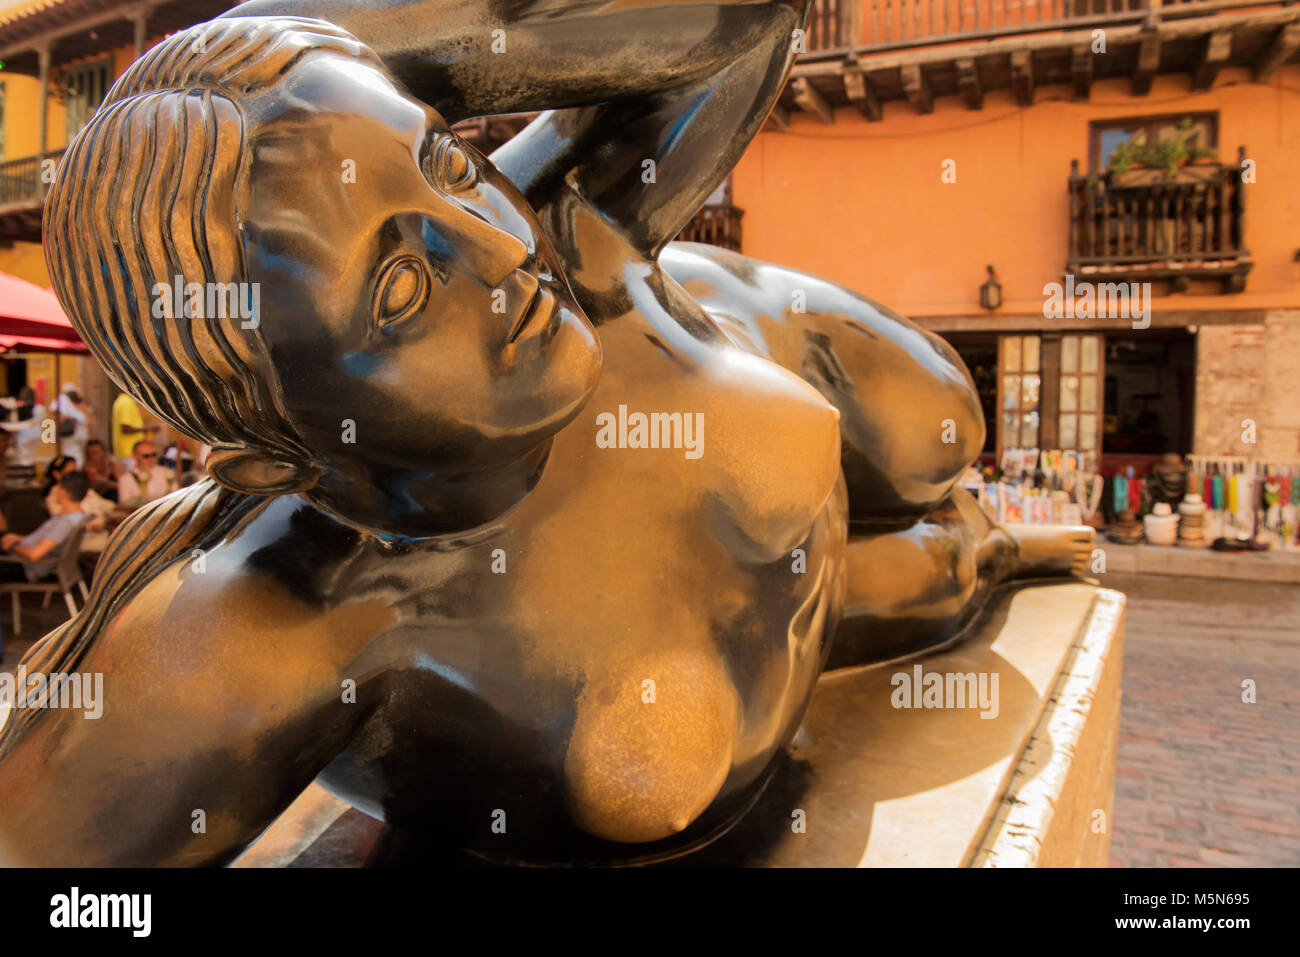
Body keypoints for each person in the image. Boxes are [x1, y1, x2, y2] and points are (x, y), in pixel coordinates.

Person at [3, 8, 1089, 868]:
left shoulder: (580, 227)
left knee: (938, 431)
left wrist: (298, 48)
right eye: (398, 288)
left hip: (794, 367)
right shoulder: (285, 618)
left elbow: (741, 11)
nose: (496, 240)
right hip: (838, 600)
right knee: (945, 561)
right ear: (282, 460)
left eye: (446, 163)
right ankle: (989, 550)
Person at [0, 471, 88, 584]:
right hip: (21, 556)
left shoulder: (66, 523)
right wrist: (18, 538)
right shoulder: (76, 516)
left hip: (23, 565)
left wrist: (13, 546)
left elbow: (34, 555)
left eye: (58, 488)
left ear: (63, 493)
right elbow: (44, 540)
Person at [116, 440, 170, 507]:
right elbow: (124, 506)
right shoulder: (126, 479)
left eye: (153, 455)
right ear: (135, 457)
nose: (151, 459)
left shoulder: (165, 472)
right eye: (146, 456)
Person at [109, 392, 158, 461]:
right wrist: (149, 428)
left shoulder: (122, 401)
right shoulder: (126, 402)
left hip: (126, 451)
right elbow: (126, 429)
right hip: (128, 451)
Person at [55, 382, 90, 464]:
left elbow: (61, 418)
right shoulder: (82, 405)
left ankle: (74, 472)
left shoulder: (65, 404)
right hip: (83, 434)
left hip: (70, 435)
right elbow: (88, 422)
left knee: (71, 455)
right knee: (81, 455)